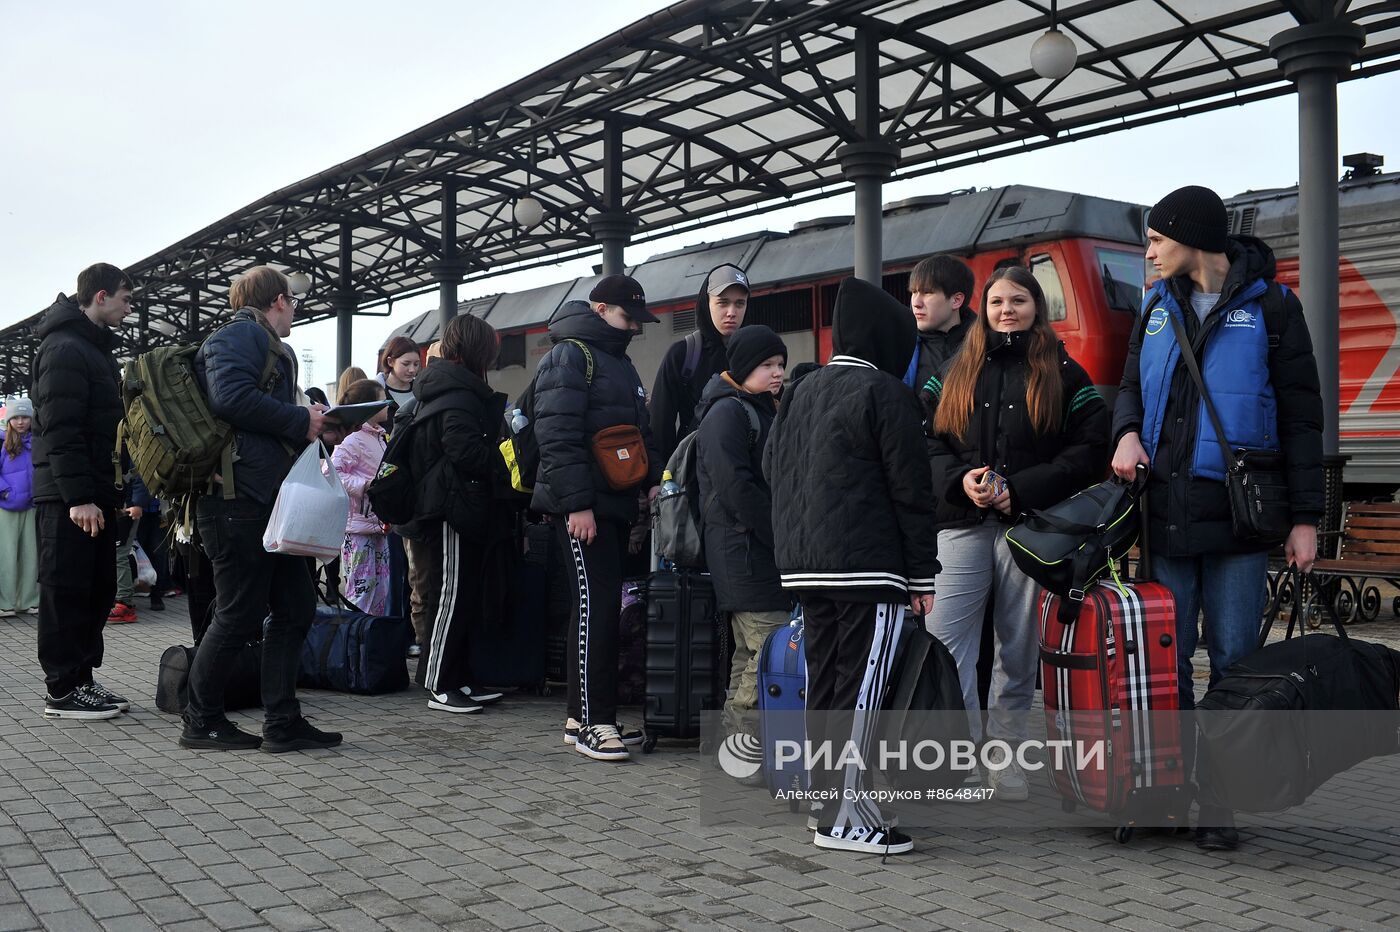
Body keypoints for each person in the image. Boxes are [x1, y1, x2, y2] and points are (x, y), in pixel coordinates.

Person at [1110, 185, 1323, 851]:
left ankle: (1220, 800)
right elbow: (1129, 388)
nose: (1148, 252)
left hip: (1238, 519)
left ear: (1194, 239)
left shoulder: (1274, 308)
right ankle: (1168, 793)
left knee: (1234, 661)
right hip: (1167, 513)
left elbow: (1302, 416)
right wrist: (1123, 434)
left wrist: (1306, 518)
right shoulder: (1153, 306)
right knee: (1165, 667)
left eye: (1157, 239)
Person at [764, 276, 940, 855]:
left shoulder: (800, 391)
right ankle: (849, 819)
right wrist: (921, 574)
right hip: (868, 570)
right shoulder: (887, 393)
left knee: (827, 688)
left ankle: (823, 804)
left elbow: (774, 470)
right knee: (863, 691)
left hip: (805, 570)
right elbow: (911, 491)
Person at [925, 265, 1109, 800]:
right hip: (959, 524)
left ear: (1037, 308)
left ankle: (1004, 761)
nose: (1007, 310)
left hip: (1027, 529)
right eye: (998, 301)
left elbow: (1088, 450)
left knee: (1018, 648)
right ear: (983, 308)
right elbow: (926, 446)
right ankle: (957, 758)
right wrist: (963, 480)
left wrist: (1019, 489)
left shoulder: (1064, 373)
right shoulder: (952, 373)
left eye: (1019, 301)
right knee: (947, 642)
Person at [181, 265, 341, 752]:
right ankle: (201, 719)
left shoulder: (257, 341)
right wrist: (300, 418)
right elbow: (231, 398)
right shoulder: (239, 335)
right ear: (277, 300)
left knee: (294, 606)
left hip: (265, 499)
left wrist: (311, 424)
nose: (295, 310)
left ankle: (283, 721)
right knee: (237, 612)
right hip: (236, 501)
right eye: (292, 302)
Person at [532, 276, 662, 761]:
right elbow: (557, 435)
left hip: (611, 503)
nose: (635, 329)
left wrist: (650, 480)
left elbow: (639, 428)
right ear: (601, 308)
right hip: (585, 507)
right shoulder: (570, 356)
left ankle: (580, 715)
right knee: (597, 607)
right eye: (628, 318)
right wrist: (576, 504)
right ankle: (593, 721)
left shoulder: (617, 360)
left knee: (596, 606)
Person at [30, 263, 133, 720]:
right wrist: (77, 497)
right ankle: (62, 688)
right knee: (66, 588)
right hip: (69, 496)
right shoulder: (65, 347)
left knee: (95, 588)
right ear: (102, 295)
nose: (130, 309)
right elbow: (60, 428)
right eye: (126, 300)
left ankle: (82, 680)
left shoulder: (91, 348)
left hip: (94, 490)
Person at [694, 325, 790, 755]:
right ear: (744, 366)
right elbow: (735, 488)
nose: (777, 374)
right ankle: (740, 748)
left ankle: (734, 744)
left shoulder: (759, 408)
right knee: (767, 650)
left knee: (747, 654)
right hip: (744, 550)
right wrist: (779, 534)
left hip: (753, 549)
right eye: (767, 365)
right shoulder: (727, 414)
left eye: (781, 365)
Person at [406, 314, 508, 714]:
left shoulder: (449, 388)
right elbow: (462, 450)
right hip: (451, 507)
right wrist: (503, 461)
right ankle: (439, 683)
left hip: (455, 505)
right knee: (449, 596)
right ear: (479, 350)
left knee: (461, 595)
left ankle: (459, 678)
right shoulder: (458, 394)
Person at [650, 263, 750, 460]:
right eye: (722, 303)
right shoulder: (683, 354)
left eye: (740, 303)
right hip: (695, 468)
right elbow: (660, 423)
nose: (732, 312)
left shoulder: (756, 353)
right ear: (706, 303)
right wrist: (661, 477)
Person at [331, 380, 392, 615]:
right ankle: (355, 646)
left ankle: (371, 646)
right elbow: (332, 473)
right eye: (382, 397)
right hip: (357, 529)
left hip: (377, 526)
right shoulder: (352, 439)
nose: (388, 402)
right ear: (370, 405)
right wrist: (366, 485)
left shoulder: (378, 437)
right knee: (361, 592)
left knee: (380, 591)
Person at [907, 254, 977, 395]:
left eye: (927, 292)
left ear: (956, 300)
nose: (916, 303)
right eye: (914, 292)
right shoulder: (900, 347)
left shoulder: (984, 346)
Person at [0, 398, 38, 618]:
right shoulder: (2, 443)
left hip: (31, 506)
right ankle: (5, 603)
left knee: (30, 556)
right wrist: (5, 491)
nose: (21, 421)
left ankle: (29, 600)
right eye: (16, 417)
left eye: (25, 417)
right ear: (9, 420)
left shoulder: (38, 442)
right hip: (6, 508)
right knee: (6, 556)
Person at [108, 463, 154, 625]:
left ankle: (124, 602)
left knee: (119, 555)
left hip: (126, 511)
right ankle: (116, 598)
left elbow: (140, 473)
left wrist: (137, 503)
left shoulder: (126, 444)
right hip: (113, 508)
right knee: (112, 555)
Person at [377, 337, 421, 426]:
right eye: (406, 364)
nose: (412, 369)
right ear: (390, 361)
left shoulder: (422, 392)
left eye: (416, 364)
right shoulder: (375, 394)